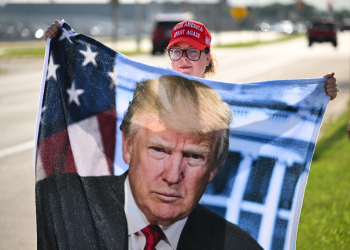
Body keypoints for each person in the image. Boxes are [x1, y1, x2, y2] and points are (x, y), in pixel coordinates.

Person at [36, 75, 263, 249]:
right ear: (128, 146)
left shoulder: (239, 246)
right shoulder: (64, 203)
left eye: (194, 156)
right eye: (159, 150)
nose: (173, 176)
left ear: (214, 167)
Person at [45, 19, 339, 100]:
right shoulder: (149, 92)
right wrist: (60, 43)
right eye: (177, 51)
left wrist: (317, 93)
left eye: (193, 52)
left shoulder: (223, 100)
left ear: (207, 58)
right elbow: (95, 89)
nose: (184, 59)